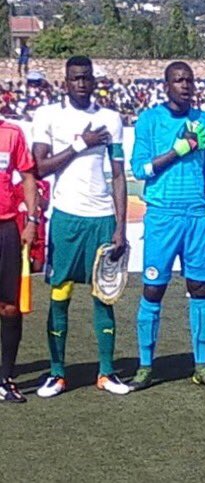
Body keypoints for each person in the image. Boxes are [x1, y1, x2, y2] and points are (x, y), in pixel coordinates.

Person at [32, 55, 131, 397]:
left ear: (93, 81)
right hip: (66, 217)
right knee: (60, 294)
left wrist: (121, 226)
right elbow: (40, 167)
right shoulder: (48, 116)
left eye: (86, 78)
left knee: (104, 296)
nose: (81, 83)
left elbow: (119, 175)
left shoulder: (110, 119)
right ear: (65, 81)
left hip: (102, 218)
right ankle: (57, 373)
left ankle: (106, 372)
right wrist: (80, 144)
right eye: (75, 78)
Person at [128, 62, 205, 389]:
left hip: (197, 216)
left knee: (200, 288)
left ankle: (201, 365)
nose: (185, 85)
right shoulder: (150, 121)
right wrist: (178, 150)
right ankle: (144, 366)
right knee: (153, 289)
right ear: (166, 85)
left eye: (189, 80)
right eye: (178, 80)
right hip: (162, 215)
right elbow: (140, 169)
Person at [0, 116, 37, 402]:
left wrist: (32, 221)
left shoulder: (12, 133)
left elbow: (27, 176)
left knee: (10, 306)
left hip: (6, 229)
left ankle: (6, 378)